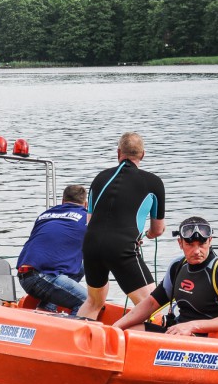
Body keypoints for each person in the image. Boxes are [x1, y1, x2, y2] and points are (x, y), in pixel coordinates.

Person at [77, 132, 166, 320]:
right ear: (143, 155)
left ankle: (78, 340)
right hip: (122, 248)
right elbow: (157, 229)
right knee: (152, 306)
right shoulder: (153, 183)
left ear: (118, 153)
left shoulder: (100, 178)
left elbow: (90, 221)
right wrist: (147, 235)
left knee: (93, 302)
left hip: (91, 244)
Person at [112, 217, 218, 336]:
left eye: (202, 244)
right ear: (180, 243)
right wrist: (115, 328)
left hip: (209, 338)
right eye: (190, 244)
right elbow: (152, 303)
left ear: (210, 241)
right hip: (178, 331)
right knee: (129, 331)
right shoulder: (177, 266)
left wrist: (192, 326)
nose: (196, 251)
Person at [15, 184, 88, 314]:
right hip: (41, 278)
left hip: (23, 275)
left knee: (80, 268)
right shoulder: (87, 218)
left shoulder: (46, 214)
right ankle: (69, 332)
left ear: (62, 201)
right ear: (86, 204)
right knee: (87, 302)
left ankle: (46, 308)